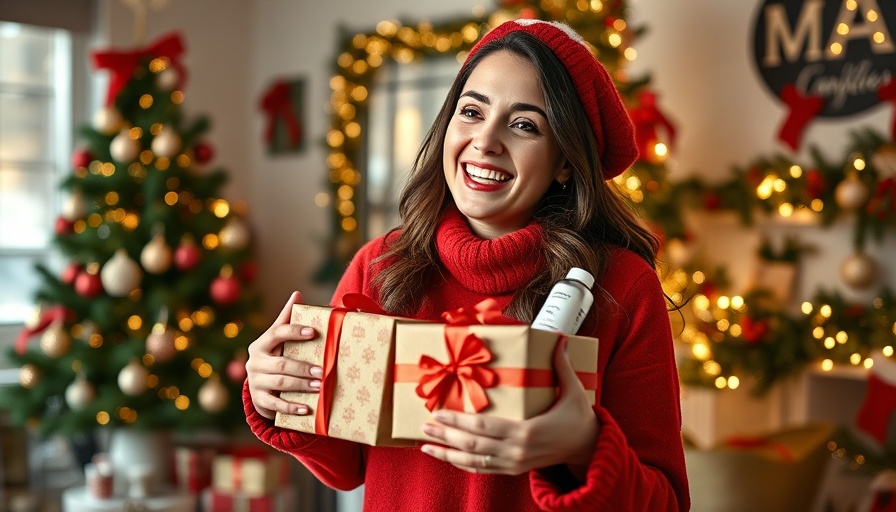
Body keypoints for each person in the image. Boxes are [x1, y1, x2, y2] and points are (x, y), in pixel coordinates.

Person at [245, 19, 690, 511]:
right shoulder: (380, 265)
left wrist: (585, 448)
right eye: (471, 112)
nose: (485, 141)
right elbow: (346, 467)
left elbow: (665, 502)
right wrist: (278, 398)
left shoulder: (621, 287)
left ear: (566, 159)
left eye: (524, 124)